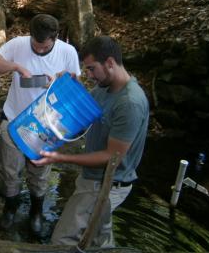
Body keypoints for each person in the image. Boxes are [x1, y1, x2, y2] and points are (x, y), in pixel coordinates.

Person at [32, 35, 149, 247]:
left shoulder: (129, 103)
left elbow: (110, 157)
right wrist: (68, 87)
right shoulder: (104, 89)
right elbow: (83, 112)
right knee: (98, 240)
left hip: (106, 184)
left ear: (110, 63)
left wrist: (60, 158)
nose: (89, 75)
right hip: (95, 179)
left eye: (92, 68)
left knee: (62, 240)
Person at [0, 14, 81, 234]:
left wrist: (60, 82)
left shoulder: (68, 52)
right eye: (35, 46)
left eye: (43, 47)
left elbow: (76, 88)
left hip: (46, 125)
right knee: (10, 171)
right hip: (14, 119)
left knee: (39, 173)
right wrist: (16, 66)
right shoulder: (19, 44)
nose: (38, 50)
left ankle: (35, 213)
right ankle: (10, 209)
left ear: (55, 38)